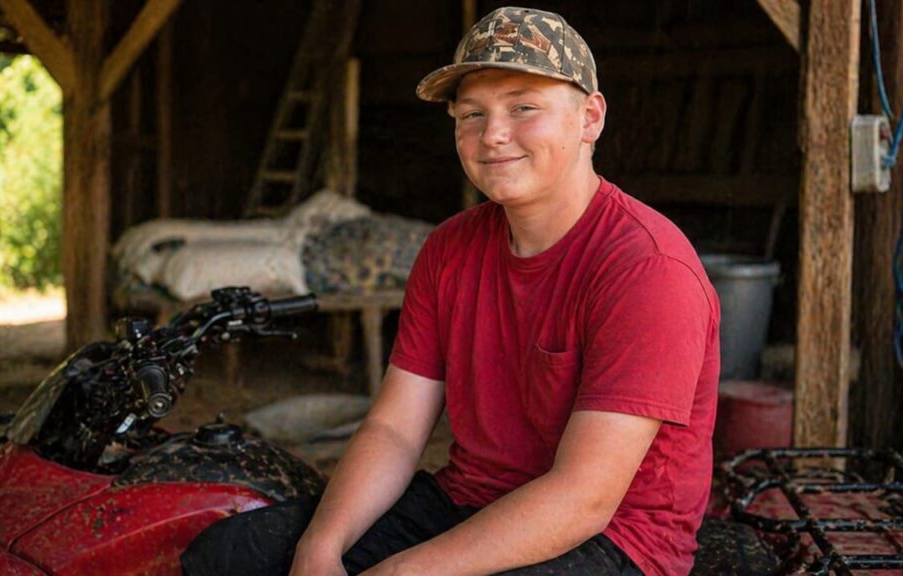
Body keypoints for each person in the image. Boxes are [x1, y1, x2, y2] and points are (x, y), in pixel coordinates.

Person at [181, 6, 719, 576]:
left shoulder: (647, 269)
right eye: (471, 114)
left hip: (614, 538)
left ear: (590, 117)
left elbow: (583, 497)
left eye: (523, 107)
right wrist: (321, 548)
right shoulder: (450, 249)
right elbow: (393, 428)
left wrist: (399, 571)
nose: (493, 135)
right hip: (467, 500)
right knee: (227, 556)